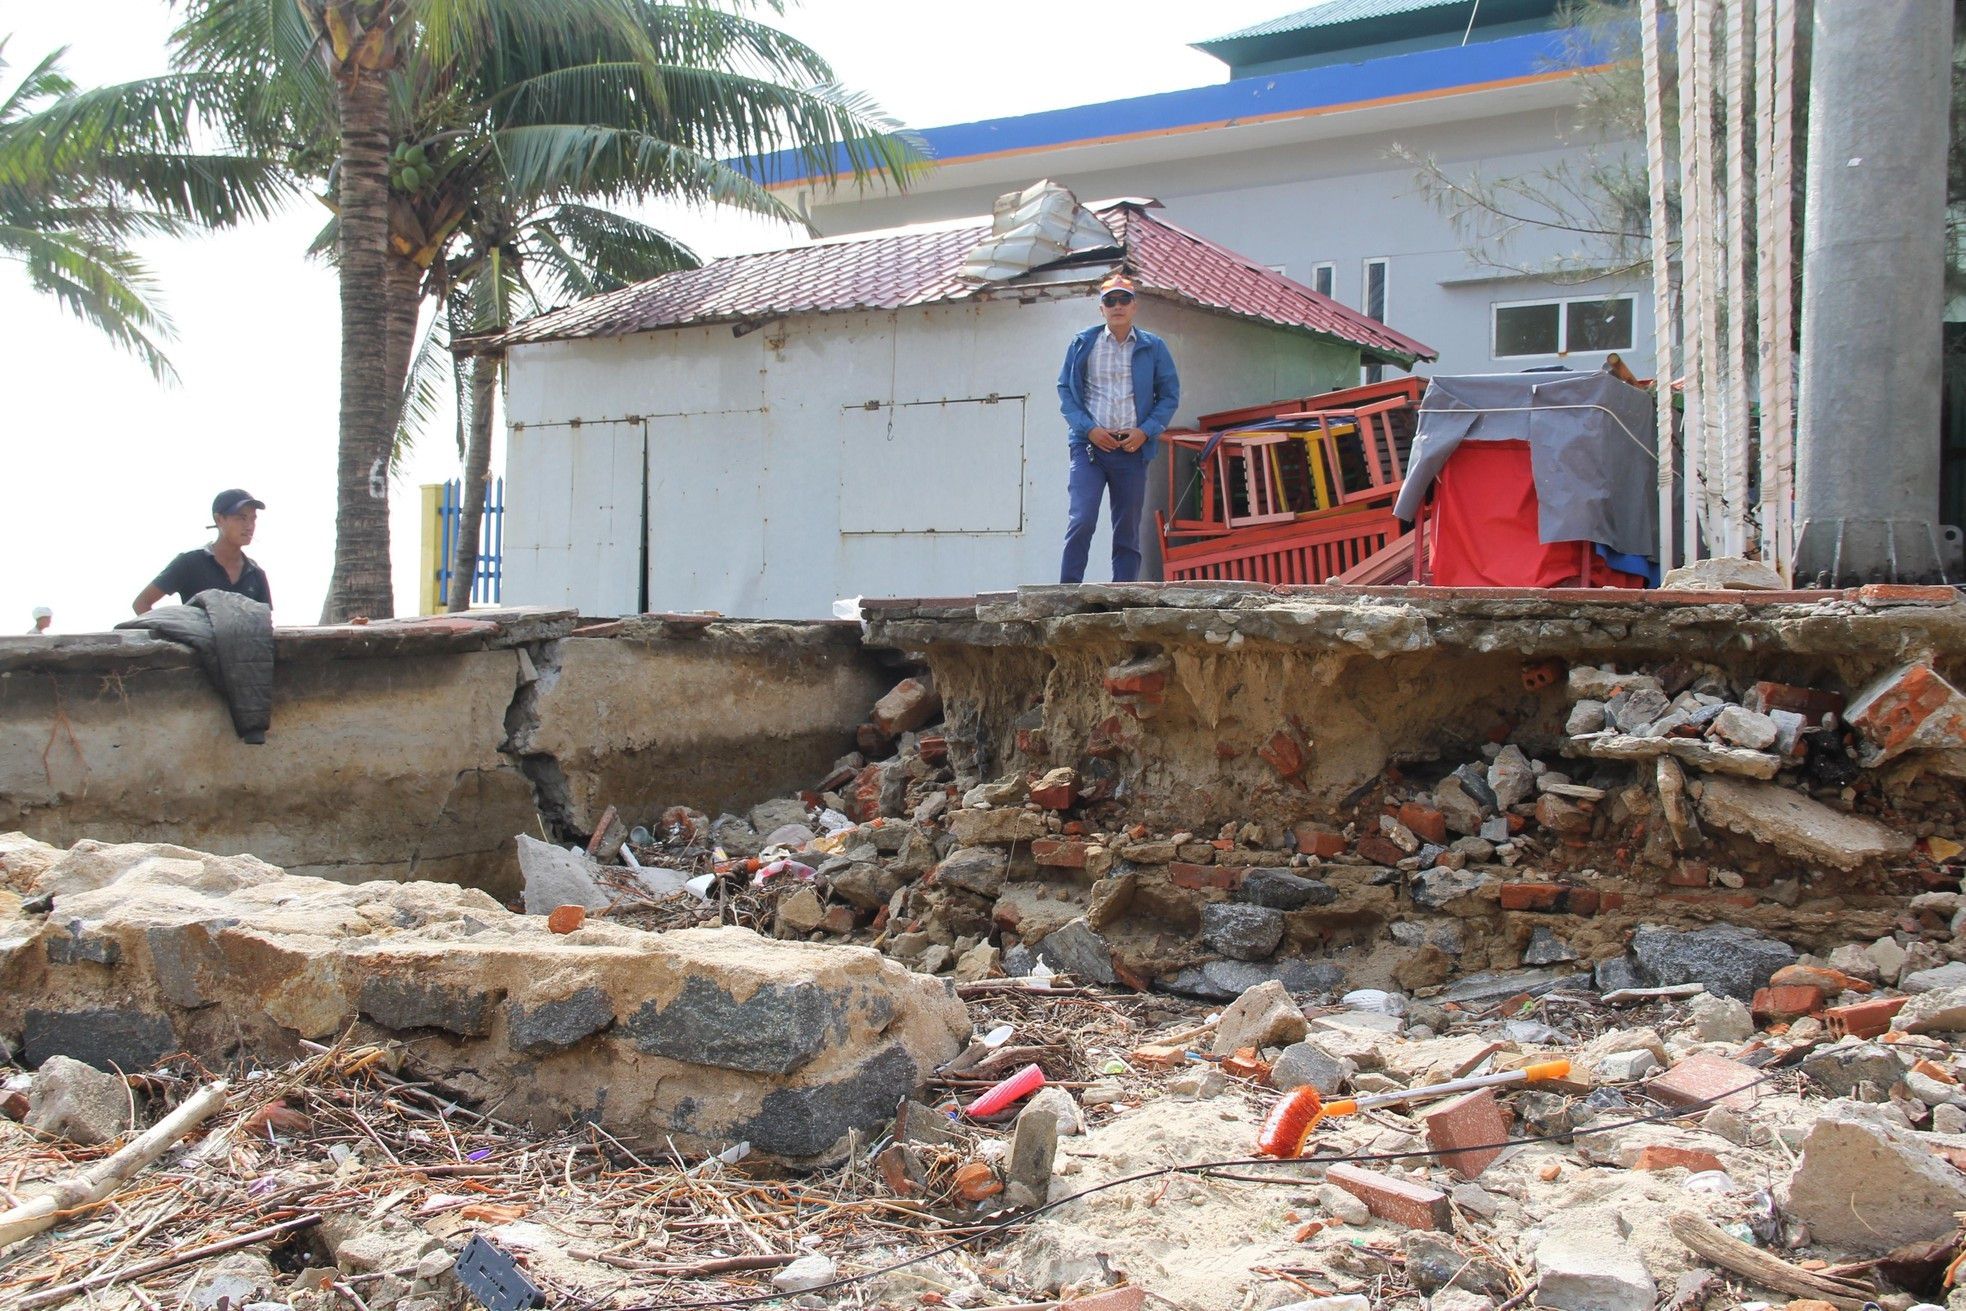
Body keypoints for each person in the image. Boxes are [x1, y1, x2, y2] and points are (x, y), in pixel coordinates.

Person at [1056, 272, 1180, 584]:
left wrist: (1145, 431)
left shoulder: (1154, 347)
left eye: (1124, 299)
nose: (1117, 305)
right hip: (1090, 449)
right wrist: (1088, 429)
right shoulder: (1084, 343)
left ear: (1134, 305)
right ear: (1101, 309)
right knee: (1081, 519)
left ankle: (1123, 592)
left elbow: (1168, 396)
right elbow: (1066, 392)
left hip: (1132, 449)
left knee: (1127, 527)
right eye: (1110, 301)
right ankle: (1067, 593)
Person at [134, 489, 272, 615]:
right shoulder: (190, 563)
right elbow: (141, 603)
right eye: (241, 518)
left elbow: (264, 623)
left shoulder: (255, 574)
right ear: (219, 519)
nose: (249, 526)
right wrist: (169, 637)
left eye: (253, 519)